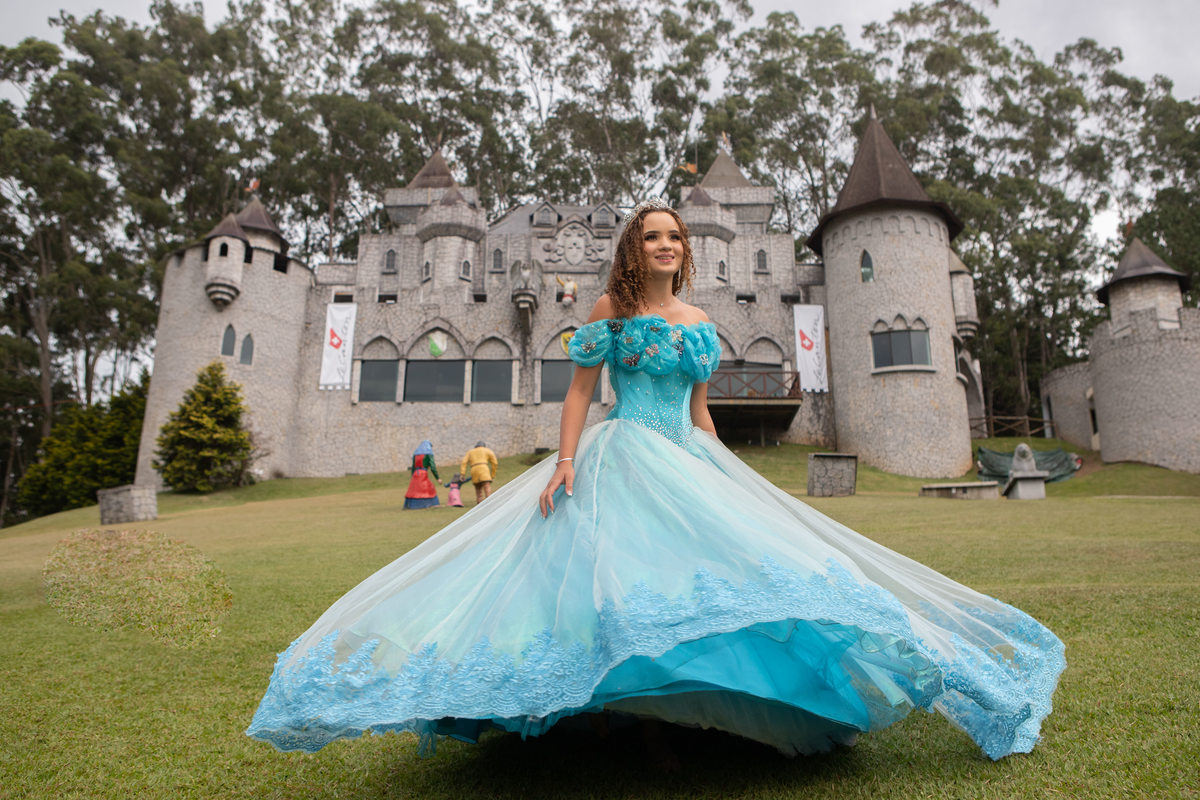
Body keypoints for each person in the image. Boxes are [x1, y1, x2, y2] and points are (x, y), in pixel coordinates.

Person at [247, 199, 1064, 762]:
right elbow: (577, 393)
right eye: (653, 237)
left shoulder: (704, 325)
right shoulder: (607, 310)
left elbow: (702, 410)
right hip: (621, 450)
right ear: (633, 249)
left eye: (676, 235)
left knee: (716, 583)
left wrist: (733, 476)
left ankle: (687, 711)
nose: (666, 245)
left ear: (688, 249)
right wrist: (564, 462)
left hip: (685, 455)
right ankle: (622, 718)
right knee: (616, 586)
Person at [402, 440, 439, 509]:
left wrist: (412, 477)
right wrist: (438, 478)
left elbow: (413, 467)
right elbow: (433, 467)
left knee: (413, 490)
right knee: (428, 488)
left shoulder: (416, 454)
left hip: (416, 474)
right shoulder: (429, 454)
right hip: (423, 474)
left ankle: (410, 505)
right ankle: (430, 503)